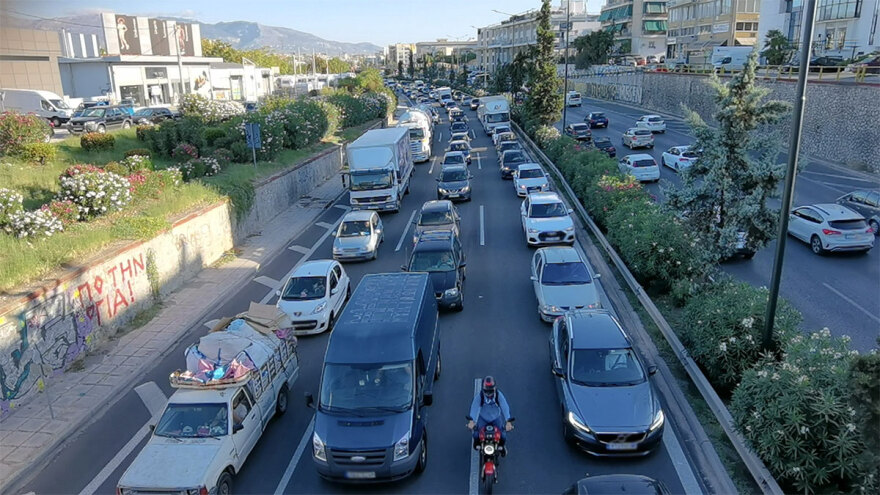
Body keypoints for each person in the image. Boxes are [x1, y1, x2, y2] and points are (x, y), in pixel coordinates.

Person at [467, 376, 513, 452]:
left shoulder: (499, 395)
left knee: (503, 435)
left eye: (491, 391)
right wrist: (472, 421)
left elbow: (505, 407)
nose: (488, 394)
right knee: (476, 434)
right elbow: (474, 407)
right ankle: (478, 445)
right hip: (483, 418)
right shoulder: (480, 396)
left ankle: (501, 447)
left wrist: (508, 421)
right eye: (486, 391)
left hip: (496, 418)